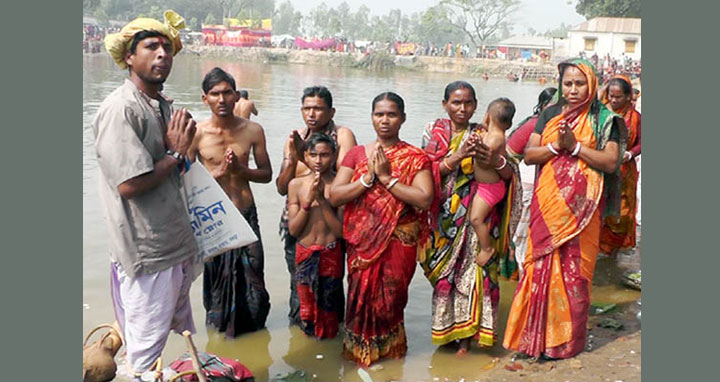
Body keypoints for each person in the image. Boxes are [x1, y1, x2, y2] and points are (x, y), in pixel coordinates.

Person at [93, 11, 199, 379]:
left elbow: (180, 166)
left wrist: (184, 153)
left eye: (167, 47)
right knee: (144, 347)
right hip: (147, 248)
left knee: (156, 334)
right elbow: (129, 184)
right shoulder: (121, 109)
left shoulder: (162, 105)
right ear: (128, 57)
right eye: (151, 46)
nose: (162, 54)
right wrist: (173, 154)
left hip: (171, 241)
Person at [503, 58, 626, 360]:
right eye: (567, 84)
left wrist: (576, 148)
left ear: (592, 84)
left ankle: (566, 344)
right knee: (538, 267)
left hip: (584, 210)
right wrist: (557, 148)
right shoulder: (550, 114)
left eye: (579, 83)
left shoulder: (604, 119)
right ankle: (534, 340)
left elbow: (610, 162)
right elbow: (530, 155)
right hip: (547, 206)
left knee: (576, 274)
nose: (572, 90)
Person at [330, 92, 433, 366]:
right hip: (362, 242)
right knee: (359, 300)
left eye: (391, 114)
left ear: (403, 119)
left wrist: (387, 179)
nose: (384, 120)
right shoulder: (356, 154)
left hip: (399, 240)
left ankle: (389, 356)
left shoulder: (416, 156)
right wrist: (366, 179)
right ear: (372, 117)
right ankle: (358, 357)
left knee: (392, 299)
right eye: (379, 114)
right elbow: (336, 195)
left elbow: (424, 198)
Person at [420, 81, 520, 355]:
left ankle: (470, 338)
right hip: (444, 218)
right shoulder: (434, 132)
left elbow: (510, 173)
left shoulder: (486, 133)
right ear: (445, 104)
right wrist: (458, 156)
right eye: (456, 102)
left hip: (479, 214)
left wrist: (494, 160)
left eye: (468, 103)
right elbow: (425, 172)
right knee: (445, 277)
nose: (462, 109)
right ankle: (447, 332)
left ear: (477, 106)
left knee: (476, 275)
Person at [187, 67, 272, 337]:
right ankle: (220, 339)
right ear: (205, 99)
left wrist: (241, 172)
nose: (221, 99)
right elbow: (185, 182)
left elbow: (267, 175)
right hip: (215, 219)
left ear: (237, 96)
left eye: (227, 93)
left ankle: (254, 333)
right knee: (217, 284)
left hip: (245, 214)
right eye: (215, 94)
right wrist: (219, 172)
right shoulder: (198, 134)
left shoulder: (253, 130)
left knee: (254, 280)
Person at [276, 86, 357, 325]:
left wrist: (307, 156)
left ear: (331, 111)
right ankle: (300, 338)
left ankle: (330, 335)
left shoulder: (342, 135)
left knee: (331, 287)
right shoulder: (296, 139)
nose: (312, 114)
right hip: (299, 221)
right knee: (299, 284)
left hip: (331, 222)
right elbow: (282, 186)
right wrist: (295, 156)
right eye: (307, 108)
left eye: (318, 109)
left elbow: (343, 177)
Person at [287, 133, 344, 339]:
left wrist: (321, 199)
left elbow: (340, 232)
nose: (319, 160)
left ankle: (328, 345)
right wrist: (307, 202)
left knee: (329, 306)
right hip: (305, 252)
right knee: (306, 308)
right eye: (313, 155)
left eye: (324, 155)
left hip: (331, 252)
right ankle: (309, 353)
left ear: (334, 155)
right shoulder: (296, 185)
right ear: (305, 156)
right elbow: (293, 230)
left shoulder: (339, 184)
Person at [505, 87, 557, 274]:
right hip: (525, 185)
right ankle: (521, 275)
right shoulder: (535, 125)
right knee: (521, 235)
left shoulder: (550, 125)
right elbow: (509, 153)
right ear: (543, 106)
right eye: (552, 106)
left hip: (538, 187)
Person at [468, 98, 516, 268]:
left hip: (491, 188)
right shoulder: (488, 135)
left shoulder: (496, 138)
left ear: (487, 116)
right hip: (484, 187)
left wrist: (475, 146)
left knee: (476, 219)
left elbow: (484, 160)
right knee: (473, 217)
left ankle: (487, 248)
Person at [599, 75, 641, 256]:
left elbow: (642, 142)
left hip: (625, 173)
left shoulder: (636, 117)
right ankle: (597, 250)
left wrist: (630, 153)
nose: (614, 100)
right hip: (600, 170)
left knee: (621, 213)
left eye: (618, 97)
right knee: (599, 210)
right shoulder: (600, 114)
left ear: (628, 97)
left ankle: (613, 252)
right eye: (611, 96)